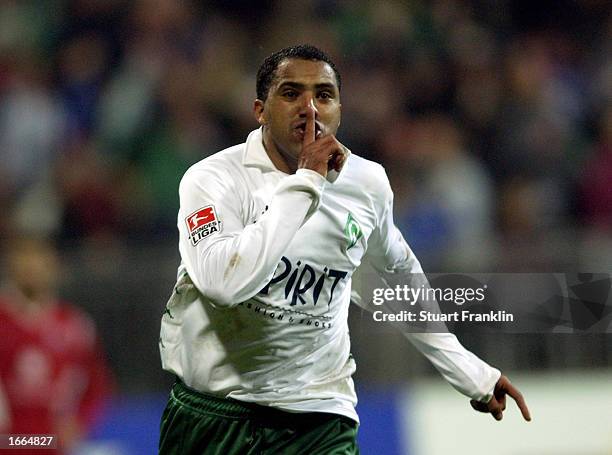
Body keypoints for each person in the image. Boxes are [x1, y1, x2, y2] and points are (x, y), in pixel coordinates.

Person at [159, 44, 531, 454]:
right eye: (290, 93)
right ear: (260, 110)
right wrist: (307, 182)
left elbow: (398, 285)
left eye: (323, 94)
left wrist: (471, 372)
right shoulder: (213, 179)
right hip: (213, 415)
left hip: (318, 416)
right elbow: (223, 284)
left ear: (339, 108)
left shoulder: (365, 184)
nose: (310, 108)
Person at [0, 236, 114, 454]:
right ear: (12, 268)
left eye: (39, 263)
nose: (31, 269)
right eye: (24, 262)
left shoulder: (75, 325)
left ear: (54, 269)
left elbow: (97, 384)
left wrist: (80, 421)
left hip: (52, 443)